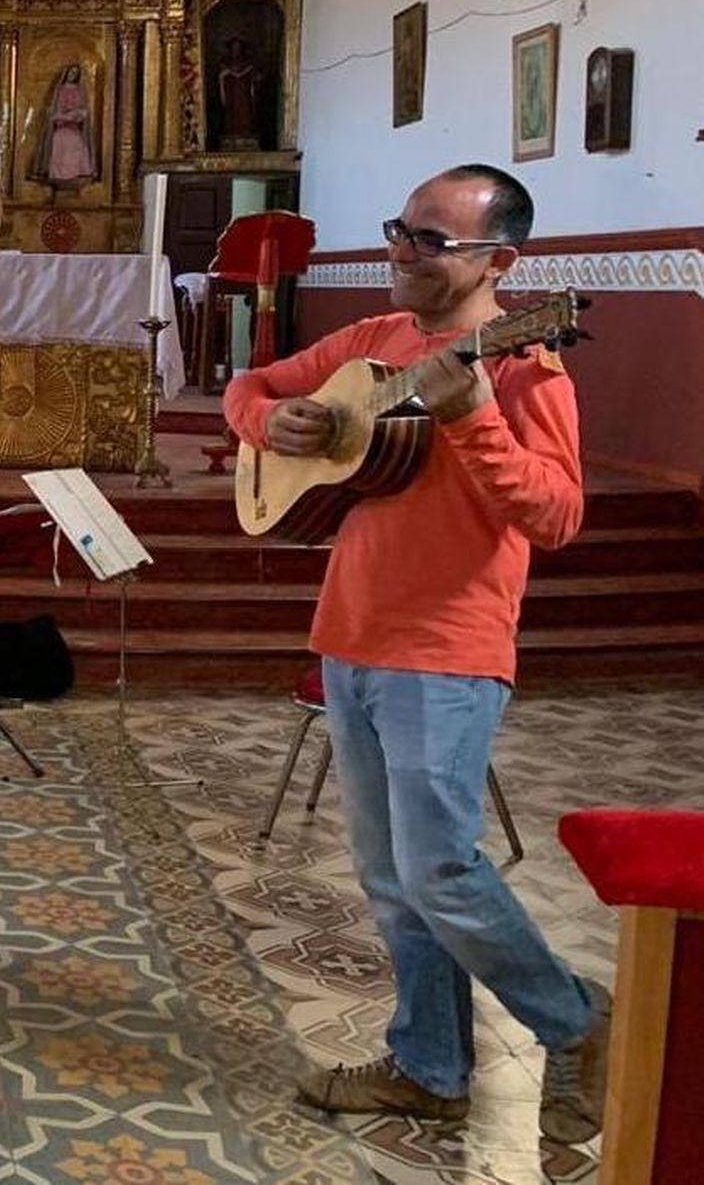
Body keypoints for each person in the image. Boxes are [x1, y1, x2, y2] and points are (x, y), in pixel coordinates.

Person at [223, 165, 609, 1147]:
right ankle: (429, 1067)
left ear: (499, 261)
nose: (400, 249)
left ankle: (576, 1020)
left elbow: (557, 516)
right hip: (349, 632)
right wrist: (269, 421)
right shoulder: (373, 342)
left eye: (429, 241)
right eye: (401, 228)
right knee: (390, 880)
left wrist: (469, 417)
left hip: (447, 648)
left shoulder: (527, 368)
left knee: (439, 871)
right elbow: (252, 386)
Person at [32, 64, 95, 187]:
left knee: (76, 141)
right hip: (61, 127)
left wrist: (75, 115)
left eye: (75, 73)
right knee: (58, 139)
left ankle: (76, 173)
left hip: (74, 128)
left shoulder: (79, 90)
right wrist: (63, 116)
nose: (73, 75)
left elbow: (82, 111)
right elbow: (55, 111)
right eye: (71, 72)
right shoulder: (60, 90)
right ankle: (59, 174)